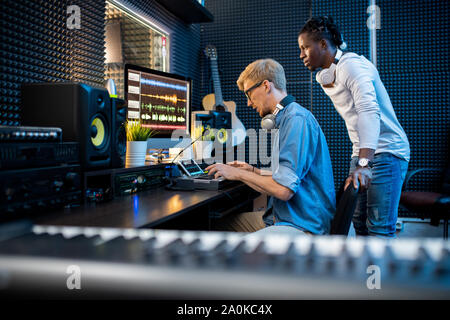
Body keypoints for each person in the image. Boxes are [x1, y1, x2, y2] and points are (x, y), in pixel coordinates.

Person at [298, 16, 410, 238]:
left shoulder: (351, 66)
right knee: (358, 223)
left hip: (386, 152)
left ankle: (379, 273)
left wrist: (364, 163)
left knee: (379, 228)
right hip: (362, 153)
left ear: (322, 44)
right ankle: (365, 273)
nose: (301, 55)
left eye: (304, 48)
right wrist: (360, 159)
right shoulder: (328, 74)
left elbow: (369, 112)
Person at [206, 58, 336, 235]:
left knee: (220, 238)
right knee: (217, 225)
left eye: (248, 94)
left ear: (266, 86)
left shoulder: (296, 120)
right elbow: (291, 175)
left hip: (302, 227)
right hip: (286, 219)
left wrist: (237, 173)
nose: (249, 103)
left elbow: (283, 190)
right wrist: (253, 171)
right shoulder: (287, 118)